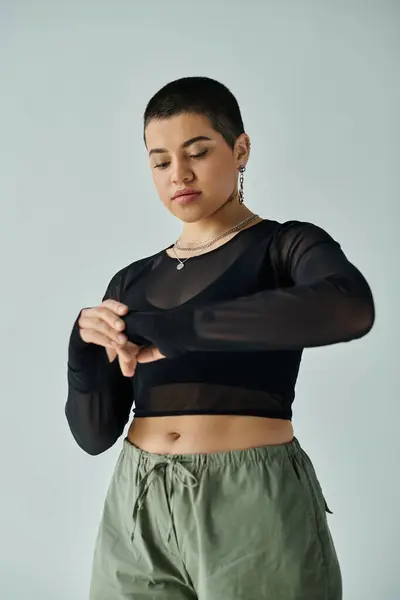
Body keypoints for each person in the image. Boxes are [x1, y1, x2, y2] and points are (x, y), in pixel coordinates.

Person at [65, 76, 375, 600]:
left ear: (241, 148)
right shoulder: (132, 281)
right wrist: (81, 350)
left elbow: (349, 307)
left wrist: (179, 329)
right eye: (160, 161)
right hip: (135, 504)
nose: (178, 174)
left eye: (198, 152)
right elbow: (94, 434)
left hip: (251, 502)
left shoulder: (284, 246)